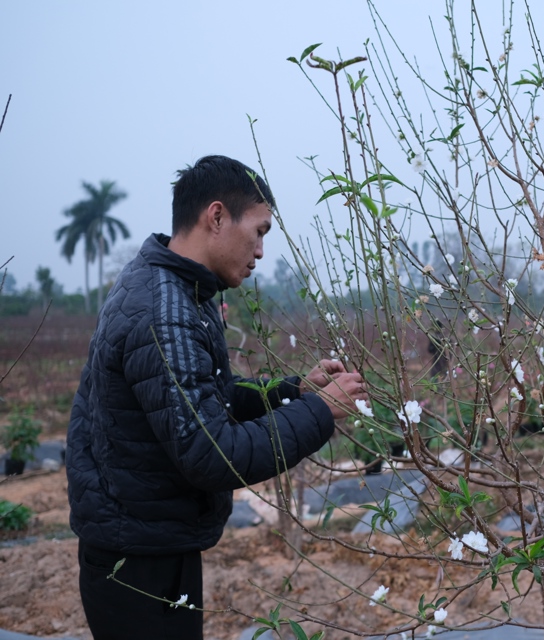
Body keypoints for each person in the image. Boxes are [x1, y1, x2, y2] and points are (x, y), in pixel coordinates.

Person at [66, 155, 366, 639]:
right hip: (137, 561)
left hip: (148, 539)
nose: (261, 251)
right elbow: (211, 453)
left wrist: (293, 392)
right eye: (261, 231)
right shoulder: (165, 311)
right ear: (218, 216)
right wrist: (319, 411)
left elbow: (208, 397)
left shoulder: (176, 289)